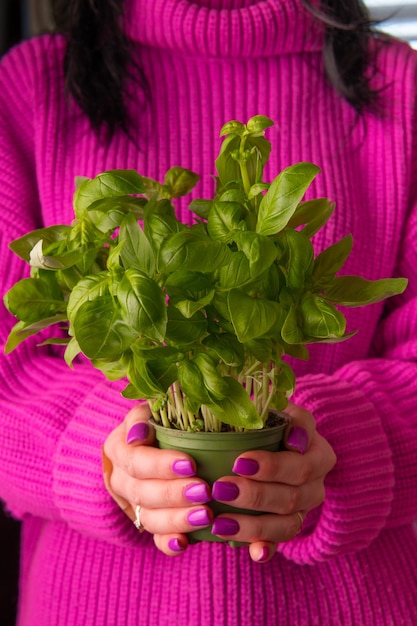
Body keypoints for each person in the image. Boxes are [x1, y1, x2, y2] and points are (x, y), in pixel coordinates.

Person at [0, 1, 416, 624]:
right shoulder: (31, 86)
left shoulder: (400, 85)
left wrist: (346, 449)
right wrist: (103, 454)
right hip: (95, 603)